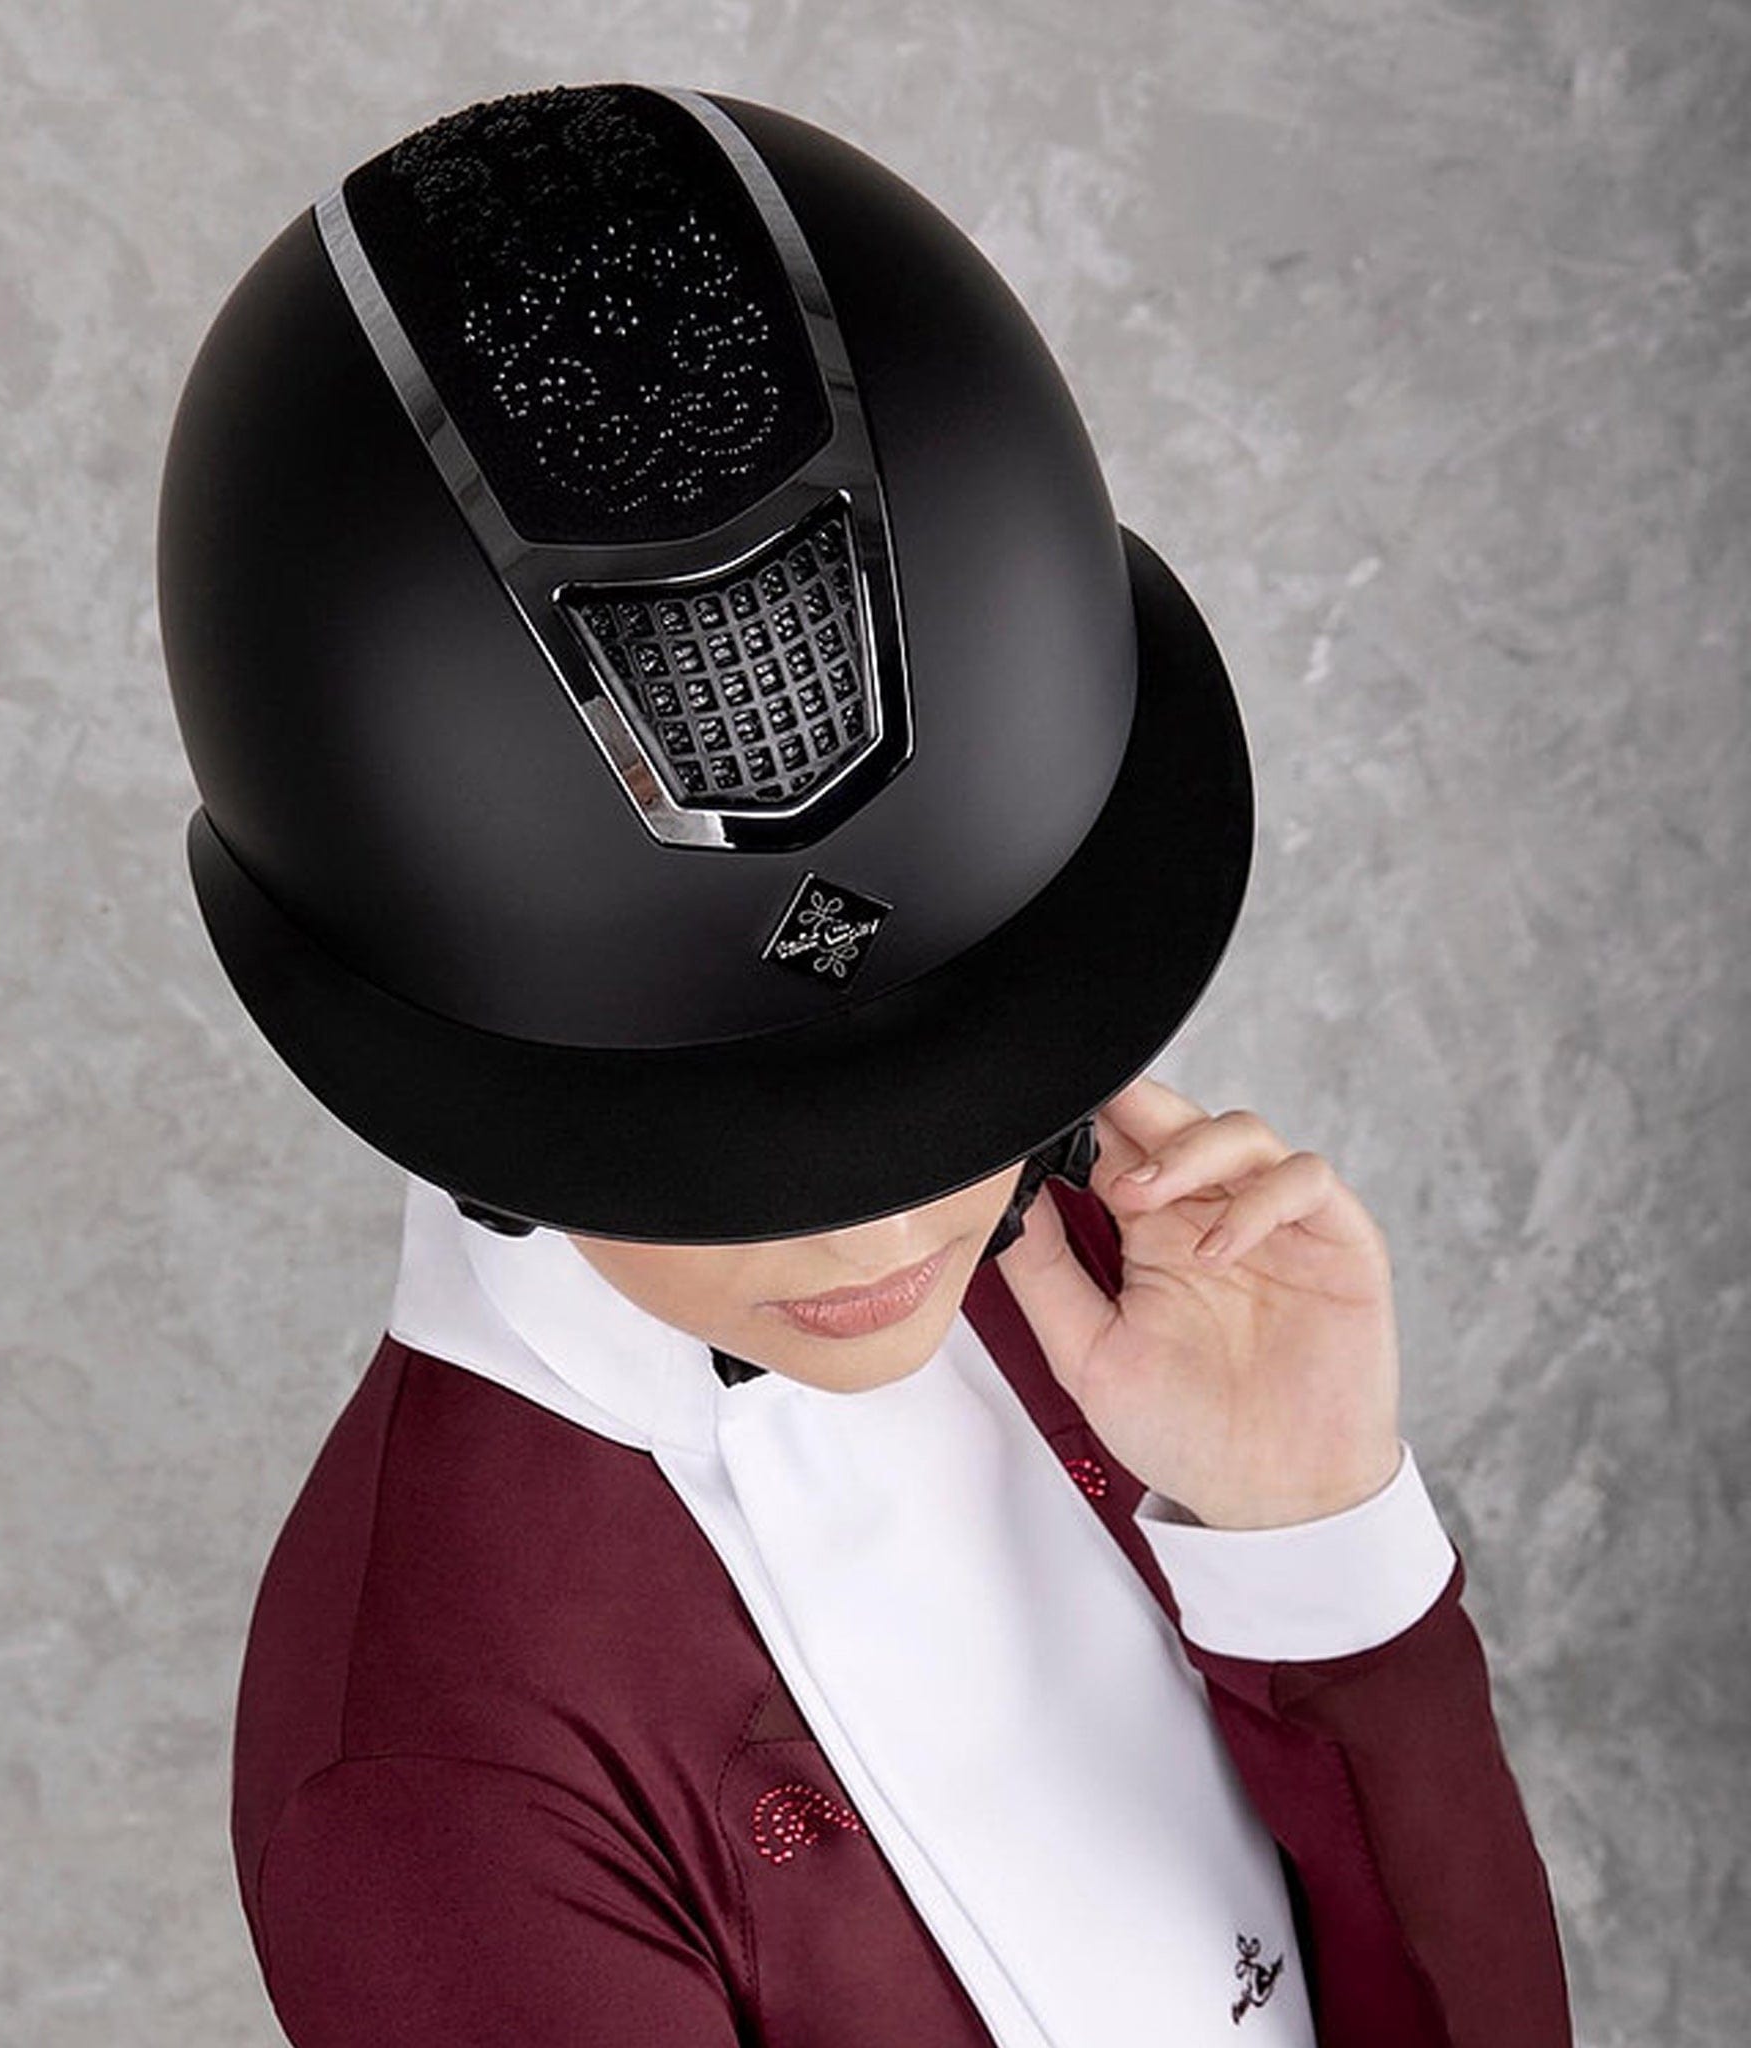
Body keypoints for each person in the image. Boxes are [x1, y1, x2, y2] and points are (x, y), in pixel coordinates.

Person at [156, 80, 1573, 2045]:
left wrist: (1317, 1544)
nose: (892, 1222)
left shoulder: (1121, 1298)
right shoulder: (429, 1783)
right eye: (730, 1155)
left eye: (961, 1092)